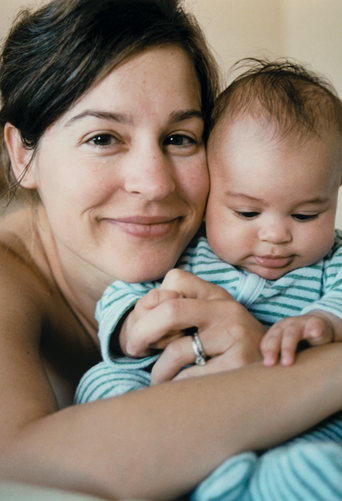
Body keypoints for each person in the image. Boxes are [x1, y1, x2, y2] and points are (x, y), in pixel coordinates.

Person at [0, 1, 342, 500]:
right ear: (22, 155)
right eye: (103, 138)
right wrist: (311, 371)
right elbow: (17, 469)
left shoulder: (256, 250)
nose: (155, 184)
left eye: (180, 138)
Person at [75, 60, 342, 500]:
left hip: (287, 416)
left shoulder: (332, 260)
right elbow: (123, 293)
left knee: (323, 444)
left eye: (306, 214)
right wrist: (129, 325)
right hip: (176, 406)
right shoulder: (188, 251)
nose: (275, 235)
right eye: (247, 212)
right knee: (102, 382)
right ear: (213, 188)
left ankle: (257, 483)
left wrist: (325, 324)